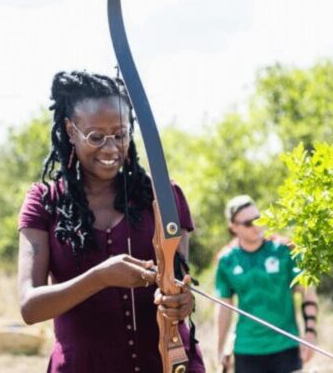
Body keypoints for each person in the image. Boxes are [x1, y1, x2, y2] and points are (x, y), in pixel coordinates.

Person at [17, 71, 205, 372]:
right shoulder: (45, 202)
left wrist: (182, 301)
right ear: (69, 129)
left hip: (169, 364)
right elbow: (29, 306)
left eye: (120, 134)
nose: (110, 147)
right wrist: (99, 277)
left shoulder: (164, 195)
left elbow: (180, 281)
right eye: (96, 136)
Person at [215, 195, 318, 373]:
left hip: (285, 345)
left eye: (258, 218)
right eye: (248, 223)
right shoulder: (226, 261)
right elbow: (224, 306)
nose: (256, 225)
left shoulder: (285, 251)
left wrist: (310, 332)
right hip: (246, 349)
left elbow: (307, 291)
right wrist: (221, 347)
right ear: (234, 227)